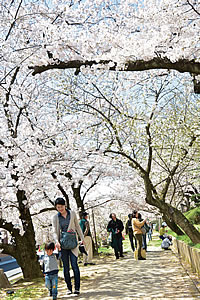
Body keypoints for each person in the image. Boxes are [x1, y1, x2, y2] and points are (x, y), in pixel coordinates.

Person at [52, 197, 84, 297]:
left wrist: (82, 238)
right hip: (62, 244)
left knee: (75, 265)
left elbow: (77, 226)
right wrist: (56, 241)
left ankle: (77, 288)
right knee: (66, 267)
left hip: (73, 243)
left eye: (61, 207)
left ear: (65, 205)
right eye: (58, 207)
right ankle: (69, 288)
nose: (60, 209)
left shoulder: (72, 213)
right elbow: (54, 231)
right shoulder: (55, 217)